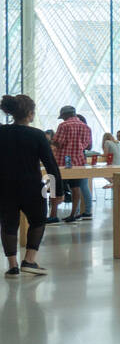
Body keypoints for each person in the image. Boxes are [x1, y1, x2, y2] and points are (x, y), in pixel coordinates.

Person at [0, 94, 59, 276]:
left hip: (4, 186)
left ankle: (12, 266)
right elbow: (50, 164)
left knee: (8, 224)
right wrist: (57, 191)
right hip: (33, 187)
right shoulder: (37, 135)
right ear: (30, 114)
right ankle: (29, 261)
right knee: (38, 220)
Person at [51, 105, 92, 222]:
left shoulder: (63, 126)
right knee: (76, 187)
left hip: (62, 162)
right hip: (79, 161)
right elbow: (88, 146)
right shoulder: (86, 127)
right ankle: (73, 214)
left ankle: (53, 215)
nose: (62, 119)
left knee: (55, 186)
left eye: (62, 116)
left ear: (65, 115)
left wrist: (51, 141)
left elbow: (59, 143)